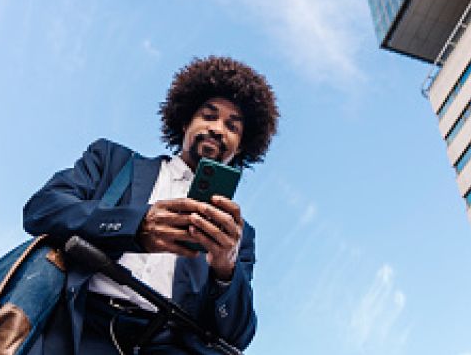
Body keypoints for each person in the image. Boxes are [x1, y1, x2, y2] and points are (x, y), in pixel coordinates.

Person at [23, 56, 279, 355]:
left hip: (165, 345)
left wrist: (225, 268)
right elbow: (42, 209)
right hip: (77, 328)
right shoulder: (113, 161)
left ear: (241, 147)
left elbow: (237, 335)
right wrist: (136, 225)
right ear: (185, 121)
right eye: (208, 116)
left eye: (232, 127)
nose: (218, 129)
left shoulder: (238, 234)